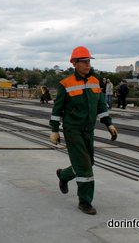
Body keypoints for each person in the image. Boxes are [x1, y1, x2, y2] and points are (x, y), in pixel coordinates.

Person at [49, 46, 118, 215]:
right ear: (74, 63)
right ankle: (85, 201)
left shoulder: (95, 82)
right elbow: (57, 110)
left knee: (87, 162)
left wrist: (109, 123)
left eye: (88, 61)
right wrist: (54, 130)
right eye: (84, 61)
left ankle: (64, 175)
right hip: (73, 130)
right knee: (86, 168)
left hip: (88, 130)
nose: (87, 64)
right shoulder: (66, 84)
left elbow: (101, 105)